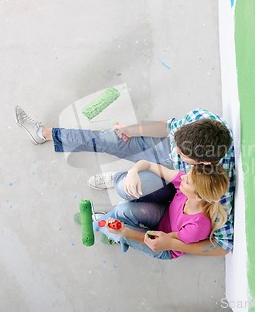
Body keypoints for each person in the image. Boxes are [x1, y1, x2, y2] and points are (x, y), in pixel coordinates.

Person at [15, 106, 235, 256]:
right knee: (110, 139)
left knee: (125, 192)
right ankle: (43, 133)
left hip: (175, 185)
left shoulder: (217, 187)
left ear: (205, 163)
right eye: (178, 145)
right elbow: (169, 127)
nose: (177, 151)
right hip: (167, 168)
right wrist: (132, 131)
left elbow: (223, 246)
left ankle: (119, 189)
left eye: (183, 153)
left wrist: (171, 243)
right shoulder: (201, 119)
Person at [94, 160, 229, 260]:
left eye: (187, 181)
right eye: (187, 174)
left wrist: (124, 231)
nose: (182, 177)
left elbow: (155, 240)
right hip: (164, 215)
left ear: (198, 196)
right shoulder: (183, 186)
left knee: (121, 232)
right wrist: (133, 171)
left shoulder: (197, 226)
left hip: (164, 245)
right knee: (123, 209)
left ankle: (109, 231)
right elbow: (148, 165)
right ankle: (114, 229)